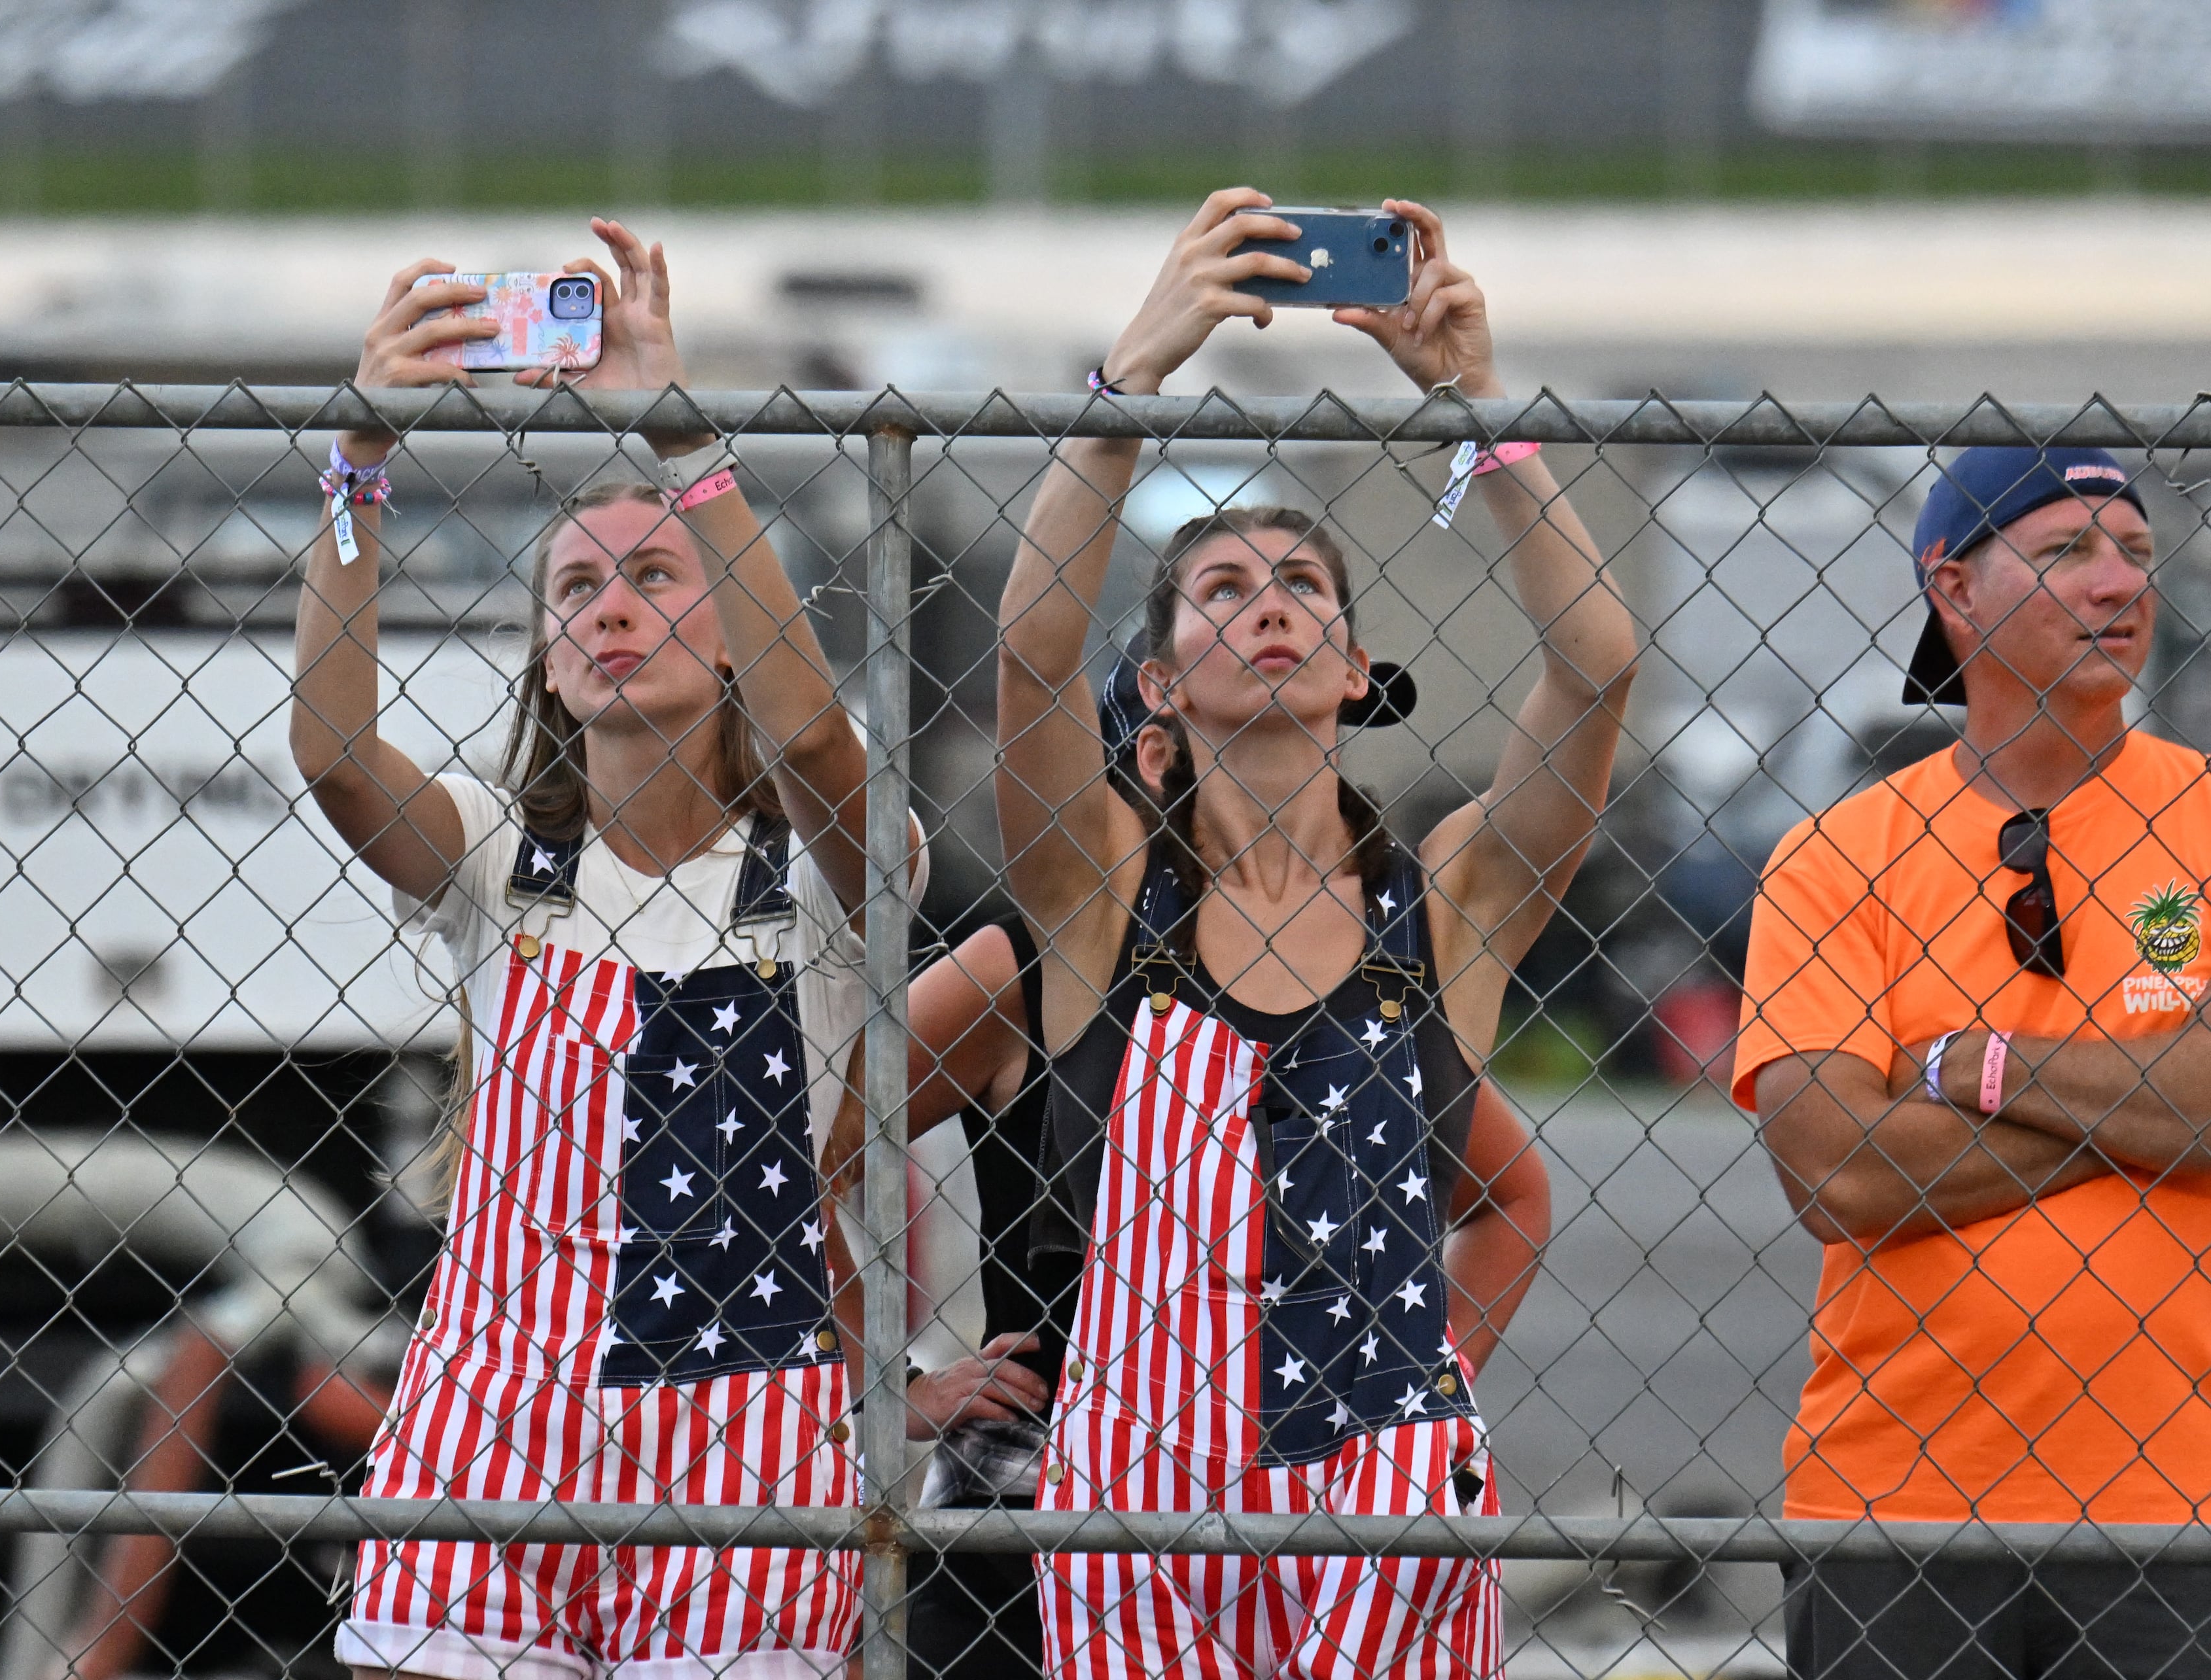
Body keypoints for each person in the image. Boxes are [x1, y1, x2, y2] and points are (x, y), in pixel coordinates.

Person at [994, 190, 1634, 1678]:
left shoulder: (1447, 900)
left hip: (1387, 1486)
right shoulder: (1099, 893)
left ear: (1354, 667)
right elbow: (1029, 657)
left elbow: (1592, 669)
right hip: (1134, 1492)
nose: (1269, 604)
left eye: (1303, 587)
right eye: (1221, 587)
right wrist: (1129, 379)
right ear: (1154, 683)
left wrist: (1475, 406)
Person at [292, 221, 918, 1680]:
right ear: (547, 658)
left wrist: (682, 439)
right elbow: (332, 754)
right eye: (574, 589)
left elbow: (819, 735)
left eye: (656, 575)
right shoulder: (501, 863)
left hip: (744, 1435)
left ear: (734, 634)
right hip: (490, 1422)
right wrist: (360, 458)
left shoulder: (830, 880)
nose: (612, 606)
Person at [1735, 446, 2211, 1680]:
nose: (2120, 585)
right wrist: (2149, 1094)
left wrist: (1977, 1068)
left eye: (2137, 554)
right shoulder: (1838, 854)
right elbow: (1843, 1176)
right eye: (2067, 552)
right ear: (1954, 591)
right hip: (1894, 1502)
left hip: (2182, 1504)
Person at [869, 892, 1549, 1679]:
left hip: (1298, 1521)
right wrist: (891, 1390)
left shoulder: (1315, 965)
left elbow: (1512, 1198)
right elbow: (790, 1141)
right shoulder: (1024, 965)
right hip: (1032, 1519)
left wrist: (1404, 1393)